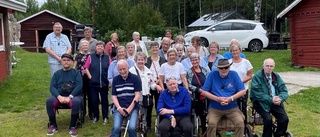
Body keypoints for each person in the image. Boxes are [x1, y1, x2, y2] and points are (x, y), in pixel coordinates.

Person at [201, 59, 246, 137]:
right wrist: (217, 99)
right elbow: (204, 92)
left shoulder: (234, 74)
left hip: (232, 108)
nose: (224, 70)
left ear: (229, 67)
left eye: (226, 67)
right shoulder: (212, 75)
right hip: (215, 108)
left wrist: (231, 98)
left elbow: (243, 91)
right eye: (221, 68)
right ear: (218, 68)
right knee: (211, 124)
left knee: (240, 123)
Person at [250, 58, 289, 137]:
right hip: (260, 102)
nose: (269, 68)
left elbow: (284, 91)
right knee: (268, 119)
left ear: (273, 67)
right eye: (267, 66)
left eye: (271, 66)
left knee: (284, 118)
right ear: (263, 66)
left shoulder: (276, 76)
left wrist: (280, 98)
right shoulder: (257, 77)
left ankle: (278, 134)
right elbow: (257, 93)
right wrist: (271, 99)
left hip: (274, 101)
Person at [46, 54, 83, 137]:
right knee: (50, 101)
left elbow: (79, 86)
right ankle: (53, 125)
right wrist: (59, 96)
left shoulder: (76, 73)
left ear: (72, 62)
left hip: (73, 96)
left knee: (76, 102)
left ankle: (72, 126)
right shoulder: (57, 74)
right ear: (61, 61)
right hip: (59, 96)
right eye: (64, 60)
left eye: (68, 60)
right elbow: (52, 87)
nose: (66, 62)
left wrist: (70, 97)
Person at [129, 52, 162, 133]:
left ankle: (146, 127)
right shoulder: (131, 71)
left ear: (145, 60)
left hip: (146, 95)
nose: (140, 61)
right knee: (137, 113)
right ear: (135, 60)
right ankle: (135, 128)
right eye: (138, 60)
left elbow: (151, 83)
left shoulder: (148, 71)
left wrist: (156, 86)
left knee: (147, 112)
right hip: (135, 96)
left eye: (142, 59)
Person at [111, 59, 141, 137]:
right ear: (117, 70)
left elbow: (137, 95)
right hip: (119, 107)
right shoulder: (115, 80)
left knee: (131, 128)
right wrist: (119, 108)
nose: (122, 71)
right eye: (120, 69)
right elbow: (114, 96)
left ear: (128, 67)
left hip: (133, 107)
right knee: (116, 127)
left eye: (124, 69)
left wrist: (129, 109)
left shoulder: (135, 78)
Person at [84, 41, 111, 124]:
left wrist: (109, 81)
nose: (100, 47)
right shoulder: (91, 57)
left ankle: (105, 116)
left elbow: (110, 69)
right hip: (93, 83)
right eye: (98, 46)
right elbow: (86, 68)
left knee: (104, 101)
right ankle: (96, 116)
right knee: (94, 100)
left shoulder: (107, 57)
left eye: (101, 46)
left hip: (104, 83)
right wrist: (90, 77)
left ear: (103, 48)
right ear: (96, 48)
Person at [228, 44, 253, 123]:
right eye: (233, 51)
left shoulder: (246, 62)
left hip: (243, 88)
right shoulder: (228, 62)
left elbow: (249, 75)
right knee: (232, 108)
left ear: (240, 50)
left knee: (243, 107)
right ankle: (232, 125)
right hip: (231, 89)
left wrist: (240, 82)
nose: (235, 52)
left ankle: (244, 126)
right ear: (231, 52)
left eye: (236, 50)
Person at [186, 53, 210, 134]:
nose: (195, 61)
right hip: (195, 96)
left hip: (205, 95)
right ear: (191, 61)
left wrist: (204, 89)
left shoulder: (204, 70)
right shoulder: (189, 72)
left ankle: (205, 131)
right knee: (196, 113)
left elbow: (208, 81)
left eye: (196, 59)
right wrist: (198, 89)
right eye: (193, 60)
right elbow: (188, 84)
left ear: (199, 60)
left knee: (204, 114)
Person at [73, 40, 93, 120]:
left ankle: (91, 113)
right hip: (80, 77)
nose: (85, 47)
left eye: (86, 45)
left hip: (89, 77)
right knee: (82, 96)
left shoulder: (91, 55)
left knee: (90, 95)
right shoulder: (77, 55)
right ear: (81, 46)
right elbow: (74, 67)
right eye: (84, 45)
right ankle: (83, 112)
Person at [145, 42, 167, 113]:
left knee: (159, 103)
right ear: (150, 49)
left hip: (160, 84)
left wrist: (158, 82)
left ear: (158, 48)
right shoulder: (147, 60)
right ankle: (148, 122)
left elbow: (164, 72)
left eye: (156, 47)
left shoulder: (163, 60)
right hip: (149, 84)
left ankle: (159, 119)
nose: (155, 49)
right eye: (153, 47)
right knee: (149, 104)